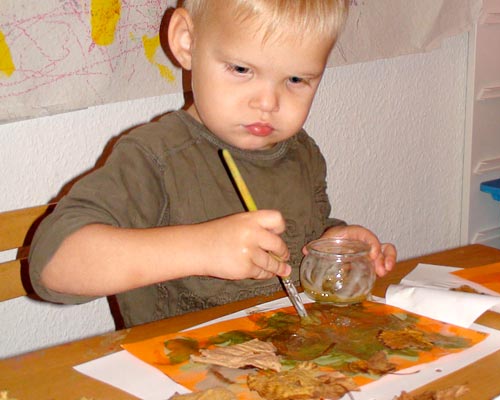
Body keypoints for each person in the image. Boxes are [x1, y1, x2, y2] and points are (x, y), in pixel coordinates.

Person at [29, 0, 397, 328]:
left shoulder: (302, 153)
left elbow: (294, 259)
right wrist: (202, 249)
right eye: (241, 69)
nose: (268, 102)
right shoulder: (154, 158)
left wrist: (329, 249)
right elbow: (52, 267)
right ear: (187, 41)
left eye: (297, 79)